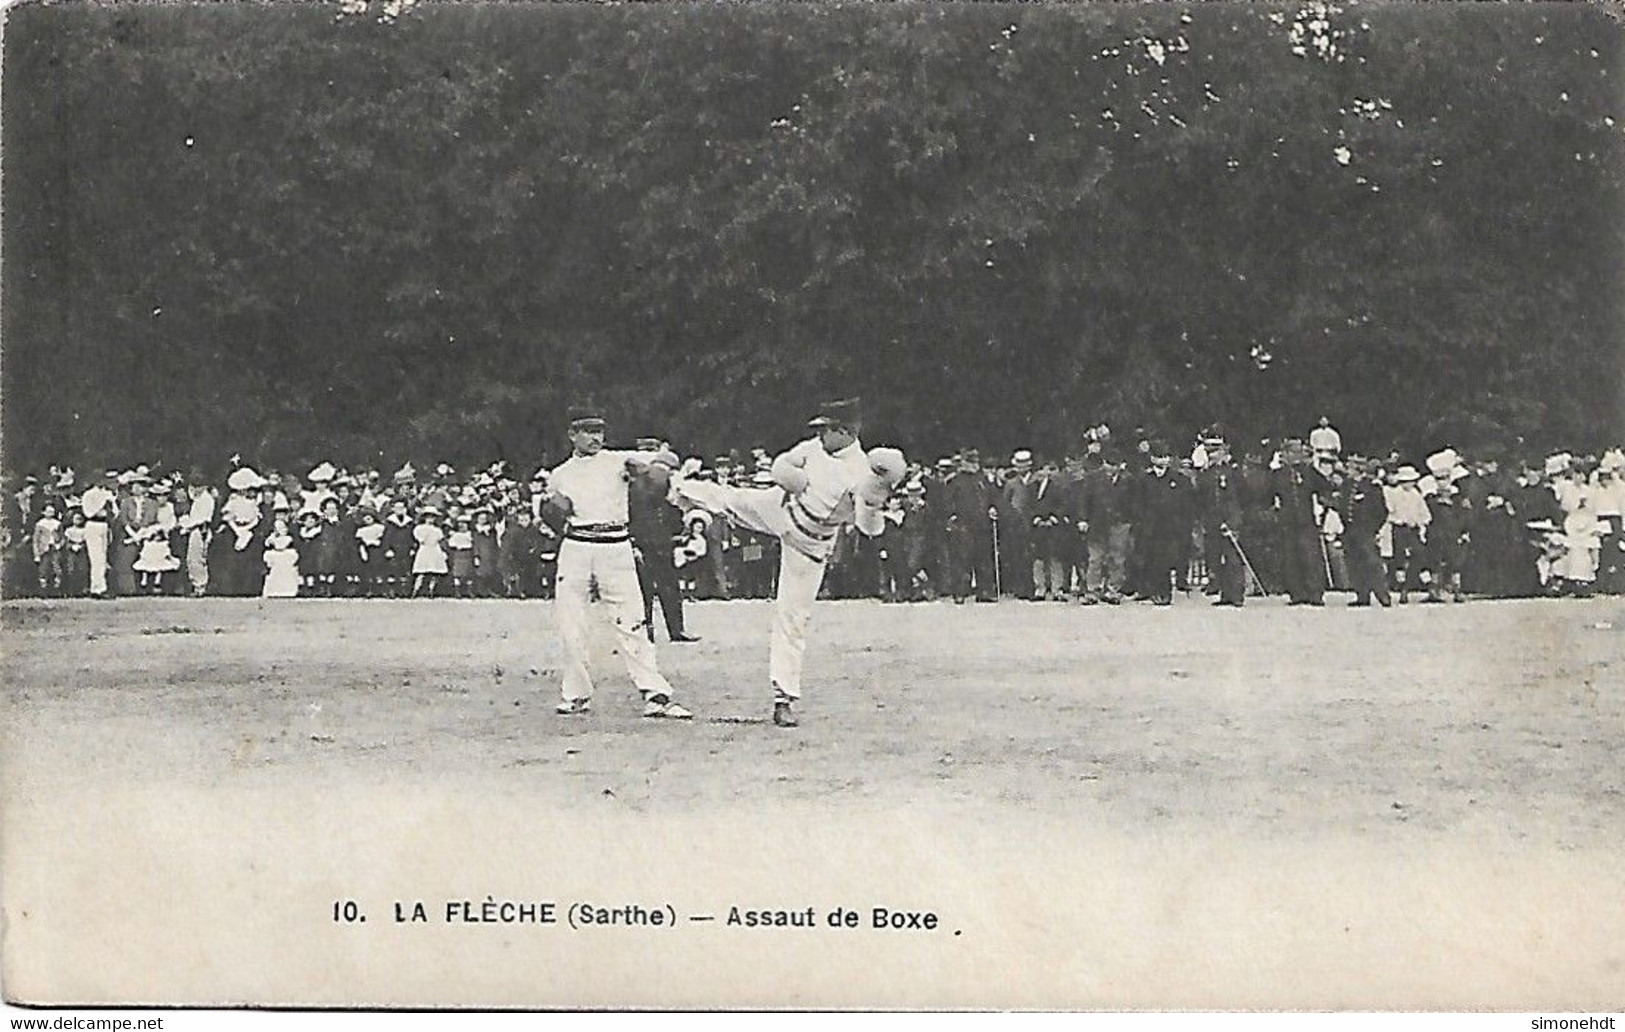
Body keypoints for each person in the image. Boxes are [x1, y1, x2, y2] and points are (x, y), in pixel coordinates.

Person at [671, 398, 905, 727]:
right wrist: (788, 475)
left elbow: (869, 528)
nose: (820, 434)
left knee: (792, 617)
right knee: (731, 497)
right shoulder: (813, 448)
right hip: (781, 507)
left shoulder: (862, 474)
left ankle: (784, 698)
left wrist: (877, 498)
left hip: (809, 543)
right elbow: (782, 464)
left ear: (843, 431)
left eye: (826, 429)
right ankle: (674, 487)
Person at [543, 407, 692, 719]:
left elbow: (664, 467)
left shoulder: (618, 460)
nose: (595, 437)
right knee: (571, 623)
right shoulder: (560, 474)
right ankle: (575, 694)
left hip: (616, 544)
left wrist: (648, 472)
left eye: (599, 430)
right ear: (573, 435)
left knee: (632, 620)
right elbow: (554, 518)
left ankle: (655, 694)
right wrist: (553, 510)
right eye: (587, 431)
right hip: (577, 545)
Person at [630, 436, 700, 644]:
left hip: (644, 540)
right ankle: (676, 630)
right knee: (668, 586)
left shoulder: (636, 482)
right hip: (659, 541)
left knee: (645, 588)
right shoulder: (662, 481)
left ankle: (647, 631)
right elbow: (672, 509)